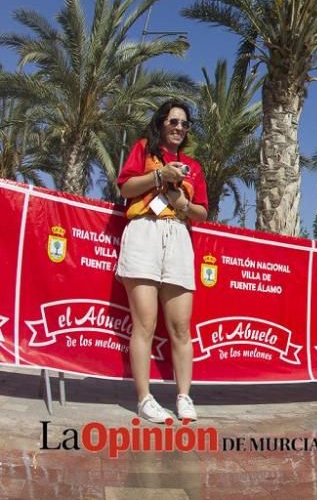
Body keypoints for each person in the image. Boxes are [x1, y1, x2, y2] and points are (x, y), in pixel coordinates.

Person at [116, 100, 209, 423]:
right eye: (174, 121)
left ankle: (184, 396)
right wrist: (159, 176)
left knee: (181, 327)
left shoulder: (194, 166)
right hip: (144, 233)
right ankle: (144, 398)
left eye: (185, 124)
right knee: (144, 323)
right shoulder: (143, 149)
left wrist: (181, 202)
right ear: (161, 123)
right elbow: (126, 187)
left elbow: (203, 212)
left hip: (178, 236)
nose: (179, 128)